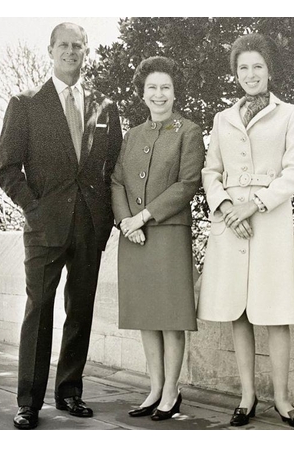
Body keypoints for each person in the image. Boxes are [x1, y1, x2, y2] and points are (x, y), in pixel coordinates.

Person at [0, 22, 123, 429]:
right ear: (50, 50)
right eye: (63, 45)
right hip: (44, 228)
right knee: (39, 310)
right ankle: (28, 402)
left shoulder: (106, 107)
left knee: (80, 311)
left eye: (78, 45)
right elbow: (7, 168)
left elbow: (112, 169)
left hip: (89, 226)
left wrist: (104, 219)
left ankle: (70, 392)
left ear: (86, 51)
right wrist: (34, 209)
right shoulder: (26, 102)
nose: (71, 51)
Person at [197, 33, 294, 428]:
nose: (250, 74)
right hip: (230, 225)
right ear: (235, 73)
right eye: (243, 67)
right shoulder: (222, 118)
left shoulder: (290, 114)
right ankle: (247, 395)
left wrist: (254, 204)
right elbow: (211, 170)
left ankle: (282, 398)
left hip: (269, 221)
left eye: (257, 66)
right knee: (237, 311)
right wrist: (226, 206)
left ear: (269, 70)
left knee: (275, 312)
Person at [111, 56, 205, 421]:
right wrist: (124, 223)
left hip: (167, 234)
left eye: (165, 87)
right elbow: (117, 180)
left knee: (170, 316)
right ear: (142, 94)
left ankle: (171, 391)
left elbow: (187, 184)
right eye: (152, 88)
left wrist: (142, 218)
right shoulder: (133, 134)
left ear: (174, 91)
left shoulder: (189, 131)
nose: (159, 94)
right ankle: (153, 387)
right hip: (132, 235)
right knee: (146, 316)